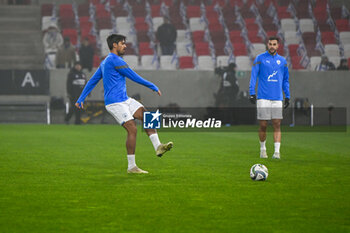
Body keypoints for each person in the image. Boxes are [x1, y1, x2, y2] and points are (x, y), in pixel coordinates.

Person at [75, 34, 173, 174]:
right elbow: (132, 75)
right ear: (114, 45)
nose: (125, 46)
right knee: (132, 129)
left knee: (148, 116)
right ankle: (131, 167)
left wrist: (81, 98)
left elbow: (92, 81)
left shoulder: (105, 61)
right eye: (122, 43)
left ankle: (158, 146)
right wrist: (151, 85)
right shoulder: (114, 60)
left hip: (124, 99)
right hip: (115, 103)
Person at [249, 36, 290, 159]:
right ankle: (263, 149)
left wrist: (287, 95)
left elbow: (285, 80)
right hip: (263, 97)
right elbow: (253, 76)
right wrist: (252, 92)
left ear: (278, 46)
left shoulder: (283, 61)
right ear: (267, 45)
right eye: (270, 44)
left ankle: (277, 152)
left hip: (277, 97)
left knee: (277, 124)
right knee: (263, 125)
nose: (272, 46)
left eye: (274, 44)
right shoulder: (260, 59)